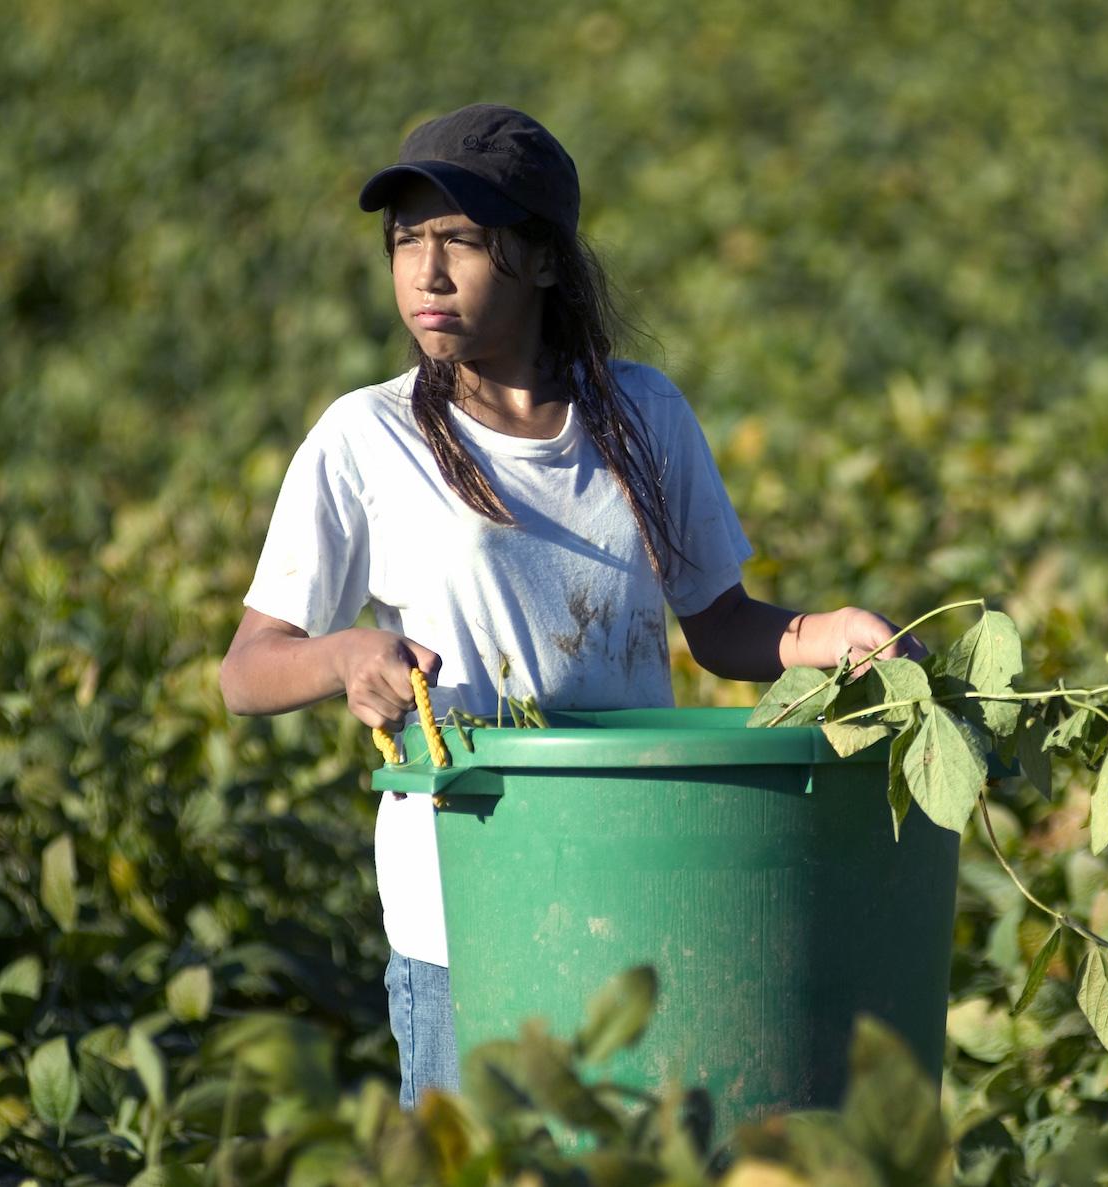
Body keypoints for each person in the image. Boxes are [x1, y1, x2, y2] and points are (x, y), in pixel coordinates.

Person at [216, 104, 926, 1109]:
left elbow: (720, 627)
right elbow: (247, 670)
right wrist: (344, 658)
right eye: (405, 241)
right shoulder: (364, 437)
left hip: (638, 881)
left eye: (460, 239)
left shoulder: (641, 416)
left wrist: (825, 636)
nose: (425, 271)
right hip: (464, 905)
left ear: (545, 261)